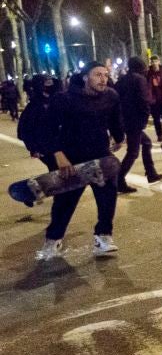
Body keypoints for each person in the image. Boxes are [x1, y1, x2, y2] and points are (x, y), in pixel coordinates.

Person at [38, 62, 125, 261]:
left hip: (101, 157)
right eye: (97, 75)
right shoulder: (64, 98)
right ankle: (53, 239)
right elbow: (47, 129)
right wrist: (58, 155)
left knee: (107, 198)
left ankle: (103, 237)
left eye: (105, 75)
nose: (103, 79)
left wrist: (120, 137)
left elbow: (115, 121)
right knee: (64, 202)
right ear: (85, 77)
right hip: (72, 159)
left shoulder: (111, 96)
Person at [114, 57, 162, 194]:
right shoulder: (139, 79)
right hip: (135, 120)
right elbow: (144, 100)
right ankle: (119, 179)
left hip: (126, 119)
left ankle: (151, 173)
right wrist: (144, 117)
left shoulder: (122, 80)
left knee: (146, 143)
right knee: (133, 152)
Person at [18, 74, 62, 172]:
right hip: (45, 147)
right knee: (56, 170)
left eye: (51, 82)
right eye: (47, 82)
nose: (50, 85)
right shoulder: (34, 106)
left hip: (62, 145)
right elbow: (25, 130)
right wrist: (34, 148)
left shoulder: (59, 100)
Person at [146, 55, 162, 142]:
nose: (154, 63)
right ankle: (159, 135)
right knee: (156, 120)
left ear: (159, 62)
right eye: (152, 62)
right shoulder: (148, 74)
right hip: (154, 101)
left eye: (155, 61)